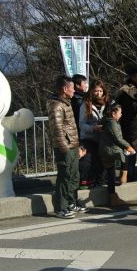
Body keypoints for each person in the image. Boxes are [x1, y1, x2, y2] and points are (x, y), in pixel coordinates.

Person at [48, 76, 86, 219]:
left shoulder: (66, 103)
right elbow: (57, 130)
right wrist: (64, 149)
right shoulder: (57, 106)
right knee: (65, 176)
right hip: (65, 148)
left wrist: (76, 146)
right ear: (65, 89)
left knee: (74, 175)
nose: (74, 91)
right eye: (72, 88)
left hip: (72, 145)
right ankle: (61, 207)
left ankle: (71, 202)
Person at [100, 104, 135, 206]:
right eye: (120, 113)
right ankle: (124, 175)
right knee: (125, 154)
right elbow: (118, 138)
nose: (121, 114)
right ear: (113, 113)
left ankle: (113, 197)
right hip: (110, 149)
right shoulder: (112, 123)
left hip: (106, 148)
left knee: (110, 173)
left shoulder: (110, 121)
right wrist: (129, 147)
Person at [78, 80, 109, 189]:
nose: (98, 93)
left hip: (103, 138)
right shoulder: (85, 104)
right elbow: (81, 124)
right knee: (88, 161)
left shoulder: (108, 103)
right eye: (96, 91)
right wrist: (93, 128)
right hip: (89, 138)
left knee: (103, 161)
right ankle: (86, 183)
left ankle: (101, 182)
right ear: (91, 91)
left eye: (101, 91)